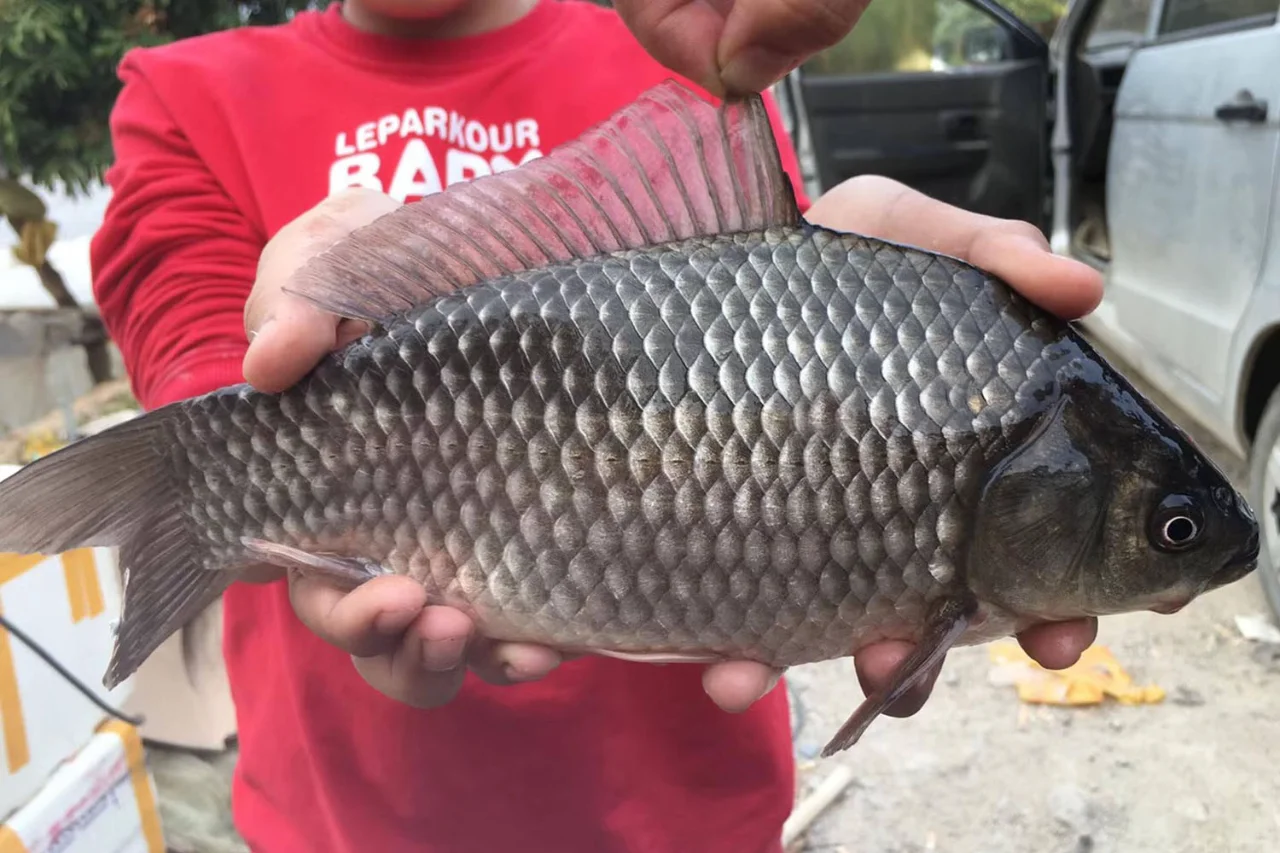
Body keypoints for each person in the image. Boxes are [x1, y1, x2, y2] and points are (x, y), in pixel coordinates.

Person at [90, 1, 1101, 851]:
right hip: (342, 816)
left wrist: (864, 279)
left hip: (684, 816)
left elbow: (764, 265)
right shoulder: (183, 90)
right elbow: (189, 340)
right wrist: (273, 341)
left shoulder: (683, 36)